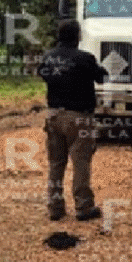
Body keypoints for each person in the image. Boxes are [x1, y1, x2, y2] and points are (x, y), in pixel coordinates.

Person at [38, 19, 108, 221]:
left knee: (56, 164)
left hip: (53, 115)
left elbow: (43, 74)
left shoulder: (48, 57)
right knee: (81, 163)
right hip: (79, 118)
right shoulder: (85, 58)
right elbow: (101, 78)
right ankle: (83, 207)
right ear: (78, 37)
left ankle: (55, 208)